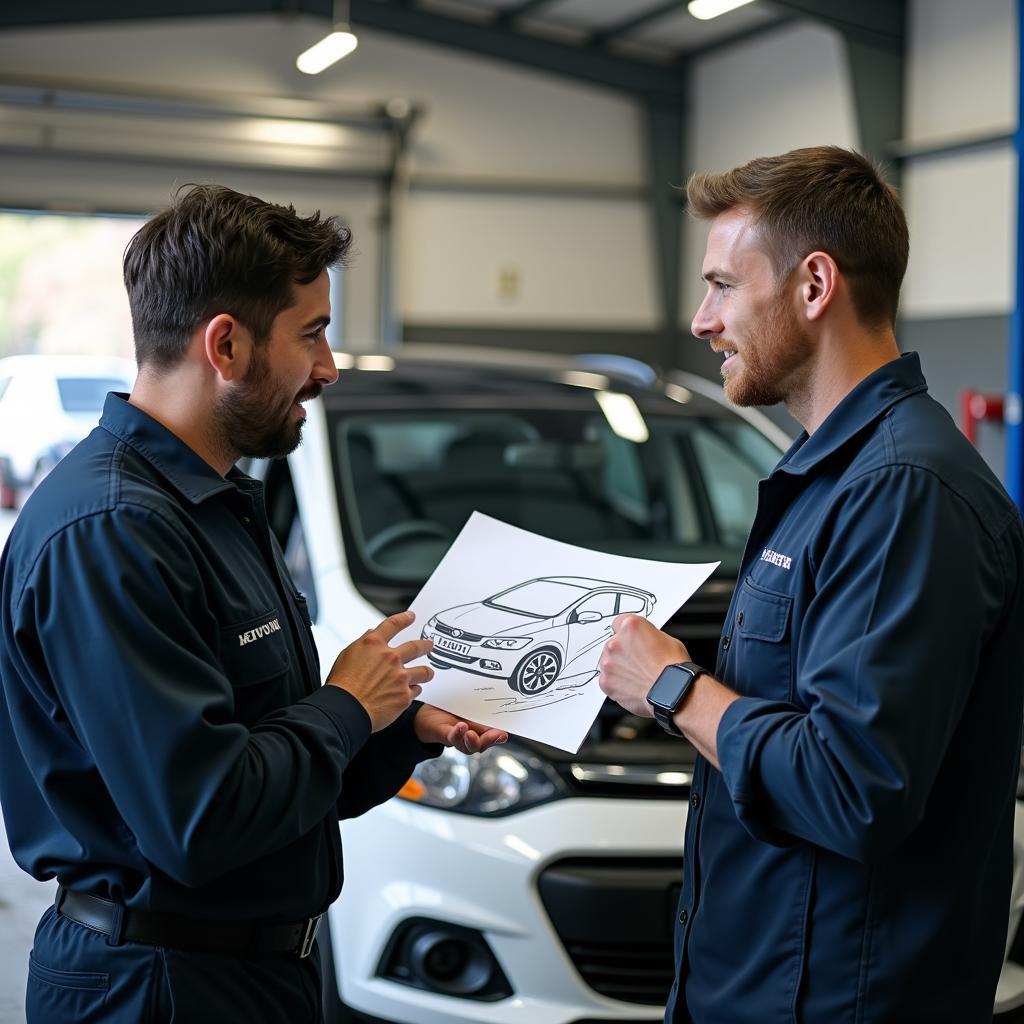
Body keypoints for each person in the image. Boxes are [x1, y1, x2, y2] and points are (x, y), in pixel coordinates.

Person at [0, 184, 506, 1023]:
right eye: (311, 333)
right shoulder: (116, 532)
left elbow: (275, 775)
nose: (328, 367)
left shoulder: (218, 504)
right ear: (226, 345)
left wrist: (398, 731)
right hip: (157, 989)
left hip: (245, 976)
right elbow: (203, 821)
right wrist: (348, 703)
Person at [598, 146, 1024, 1023]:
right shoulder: (828, 474)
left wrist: (673, 687)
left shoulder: (903, 491)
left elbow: (851, 785)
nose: (699, 319)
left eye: (722, 285)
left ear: (814, 285)